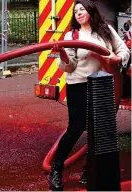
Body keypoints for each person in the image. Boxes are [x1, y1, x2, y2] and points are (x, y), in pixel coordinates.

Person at [48, 0, 130, 190]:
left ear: (91, 11)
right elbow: (69, 67)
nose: (78, 13)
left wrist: (116, 58)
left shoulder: (106, 31)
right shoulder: (71, 35)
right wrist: (62, 54)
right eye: (75, 11)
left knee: (99, 130)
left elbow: (124, 50)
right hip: (78, 85)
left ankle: (90, 169)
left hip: (102, 84)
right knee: (76, 128)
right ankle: (56, 169)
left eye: (81, 9)